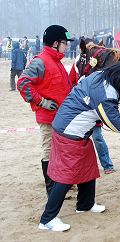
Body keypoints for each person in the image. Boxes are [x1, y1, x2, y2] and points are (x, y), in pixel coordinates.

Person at [38, 61, 120, 232]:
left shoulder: (99, 75)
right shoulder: (105, 94)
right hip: (69, 133)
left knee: (87, 167)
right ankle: (47, 219)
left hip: (75, 131)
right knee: (66, 177)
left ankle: (85, 204)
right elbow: (116, 124)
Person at [17, 25, 76, 197]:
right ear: (56, 43)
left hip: (62, 117)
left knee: (62, 152)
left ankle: (62, 185)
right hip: (48, 117)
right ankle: (52, 190)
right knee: (49, 151)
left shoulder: (57, 62)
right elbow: (23, 83)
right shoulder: (40, 61)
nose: (68, 46)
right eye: (65, 43)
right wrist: (41, 101)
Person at [69, 53, 115, 174]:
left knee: (97, 137)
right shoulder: (77, 64)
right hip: (80, 108)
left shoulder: (98, 67)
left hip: (94, 107)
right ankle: (78, 168)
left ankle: (107, 165)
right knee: (78, 140)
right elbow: (71, 83)